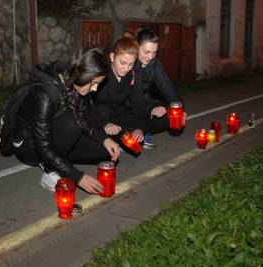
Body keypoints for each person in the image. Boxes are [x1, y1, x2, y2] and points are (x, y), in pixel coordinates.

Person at [11, 48, 121, 194]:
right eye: (93, 83)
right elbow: (43, 146)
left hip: (55, 135)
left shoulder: (76, 84)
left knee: (103, 150)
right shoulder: (45, 93)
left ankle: (59, 161)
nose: (95, 89)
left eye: (98, 84)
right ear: (82, 75)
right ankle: (50, 172)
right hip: (29, 146)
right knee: (73, 124)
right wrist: (77, 176)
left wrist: (104, 139)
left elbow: (84, 120)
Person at [91, 33, 146, 149]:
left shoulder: (133, 75)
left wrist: (139, 128)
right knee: (103, 150)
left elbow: (138, 103)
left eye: (131, 64)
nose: (126, 69)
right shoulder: (100, 73)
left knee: (135, 138)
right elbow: (86, 105)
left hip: (119, 115)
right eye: (122, 63)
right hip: (95, 117)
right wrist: (103, 124)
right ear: (112, 57)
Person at [134, 28, 185, 149]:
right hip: (125, 107)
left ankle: (142, 130)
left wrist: (179, 107)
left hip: (144, 101)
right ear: (136, 47)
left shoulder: (153, 62)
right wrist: (151, 109)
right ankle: (126, 134)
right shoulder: (129, 64)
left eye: (154, 52)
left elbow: (167, 88)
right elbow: (130, 99)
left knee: (171, 115)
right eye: (146, 52)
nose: (150, 57)